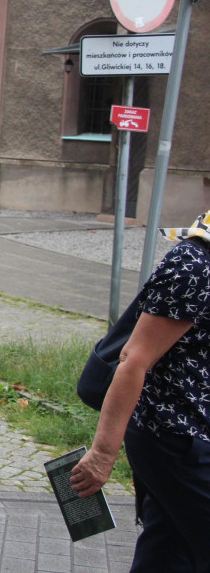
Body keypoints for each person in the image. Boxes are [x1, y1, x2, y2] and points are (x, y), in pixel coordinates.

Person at [71, 210, 210, 572]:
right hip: (176, 439)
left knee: (168, 554)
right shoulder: (195, 265)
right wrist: (103, 454)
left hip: (194, 437)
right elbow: (133, 360)